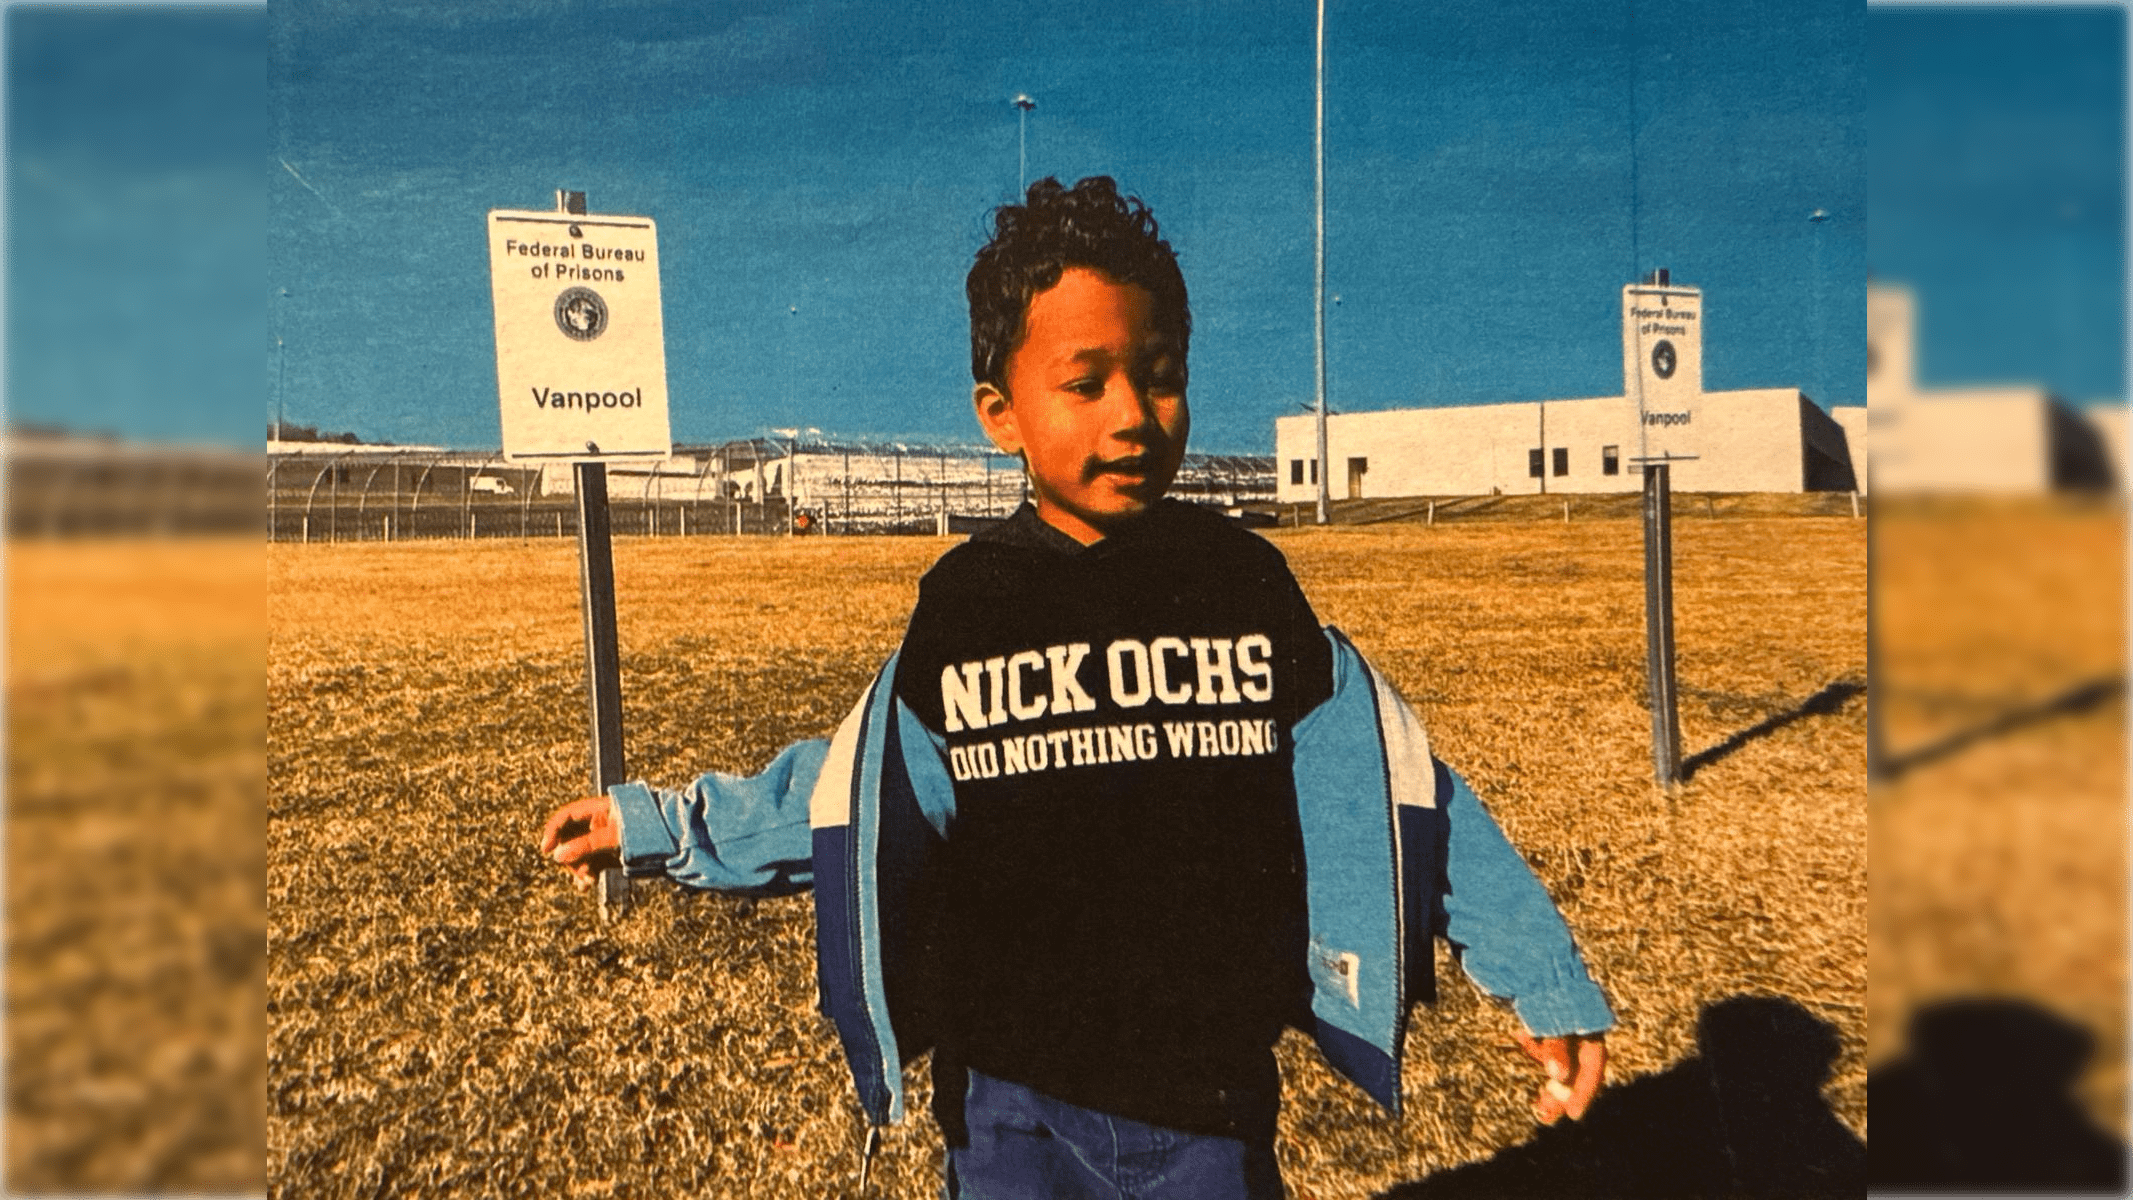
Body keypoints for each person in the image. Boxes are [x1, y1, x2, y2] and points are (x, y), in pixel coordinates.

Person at [539, 176, 1612, 1199]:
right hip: (1011, 1110)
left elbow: (1398, 787)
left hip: (1208, 1103)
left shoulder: (1242, 585)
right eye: (1087, 382)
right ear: (1000, 413)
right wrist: (660, 825)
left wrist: (1540, 973)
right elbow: (854, 793)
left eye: (1162, 372)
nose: (1135, 414)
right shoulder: (970, 604)